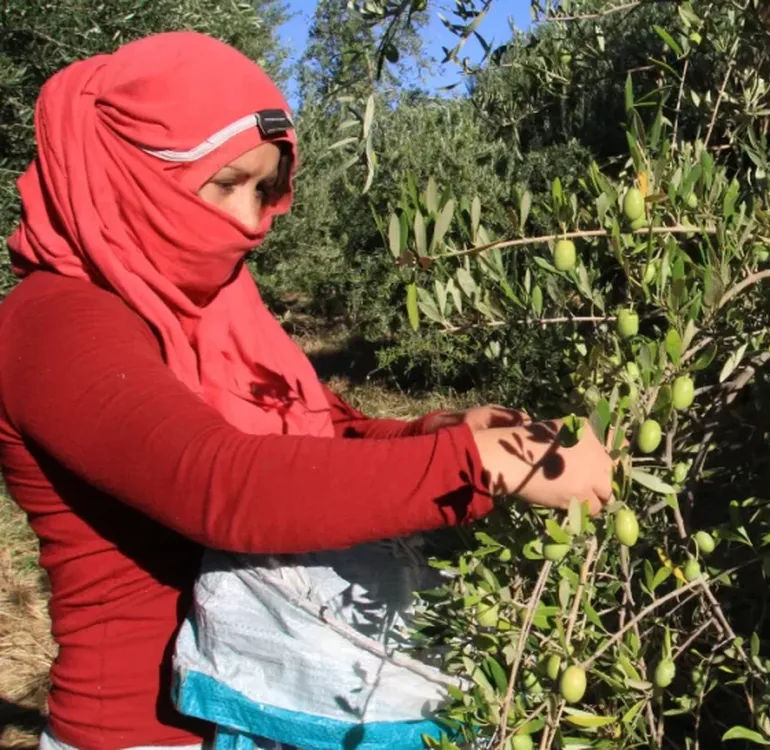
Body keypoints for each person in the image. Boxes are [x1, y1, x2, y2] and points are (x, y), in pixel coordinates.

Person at [0, 30, 614, 750]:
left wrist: (441, 431)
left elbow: (310, 436)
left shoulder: (205, 303)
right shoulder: (57, 324)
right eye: (225, 183)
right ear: (129, 169)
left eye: (264, 189)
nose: (248, 222)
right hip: (149, 734)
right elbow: (221, 482)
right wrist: (477, 465)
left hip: (256, 712)